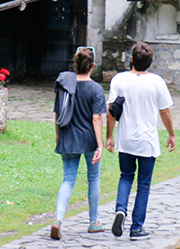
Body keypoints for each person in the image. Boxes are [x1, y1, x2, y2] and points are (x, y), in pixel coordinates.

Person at [105, 41, 175, 241]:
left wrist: (109, 136)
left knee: (125, 176)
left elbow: (111, 111)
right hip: (147, 140)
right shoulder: (156, 82)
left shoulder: (119, 80)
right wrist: (171, 134)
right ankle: (136, 227)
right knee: (143, 184)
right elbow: (165, 111)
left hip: (126, 138)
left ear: (132, 60)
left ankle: (120, 210)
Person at [51, 46, 106, 240]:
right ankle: (94, 222)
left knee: (68, 179)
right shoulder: (96, 89)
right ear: (92, 66)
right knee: (94, 179)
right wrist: (100, 145)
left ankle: (58, 219)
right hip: (89, 139)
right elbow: (96, 119)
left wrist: (58, 135)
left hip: (67, 136)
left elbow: (57, 113)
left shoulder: (65, 85)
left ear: (75, 64)